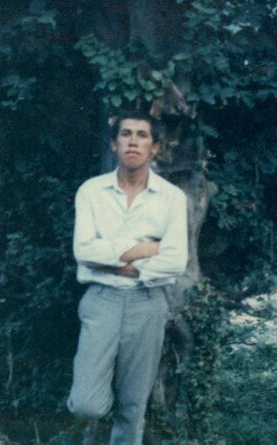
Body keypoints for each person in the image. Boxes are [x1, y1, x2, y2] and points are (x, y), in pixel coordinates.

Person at [67, 110, 188, 445]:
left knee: (133, 406)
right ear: (113, 144)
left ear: (155, 147)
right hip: (101, 300)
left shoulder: (172, 198)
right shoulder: (91, 192)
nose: (133, 141)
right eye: (125, 134)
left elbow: (176, 260)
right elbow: (84, 251)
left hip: (148, 303)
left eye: (142, 135)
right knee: (87, 404)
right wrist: (149, 248)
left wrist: (111, 258)